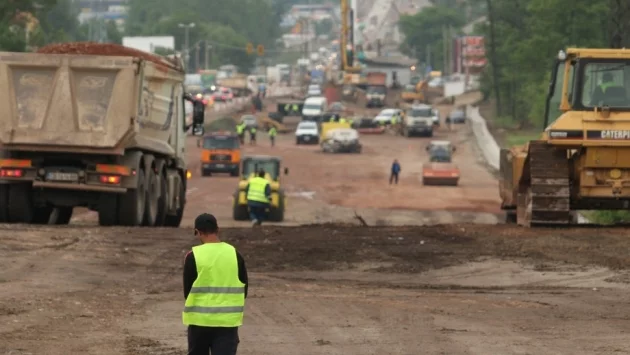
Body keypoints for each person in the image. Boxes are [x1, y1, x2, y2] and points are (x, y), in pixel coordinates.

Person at [183, 213, 248, 355]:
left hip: (199, 323)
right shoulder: (235, 254)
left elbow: (187, 292)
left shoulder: (192, 256)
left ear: (197, 232)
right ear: (218, 230)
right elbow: (244, 289)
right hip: (227, 324)